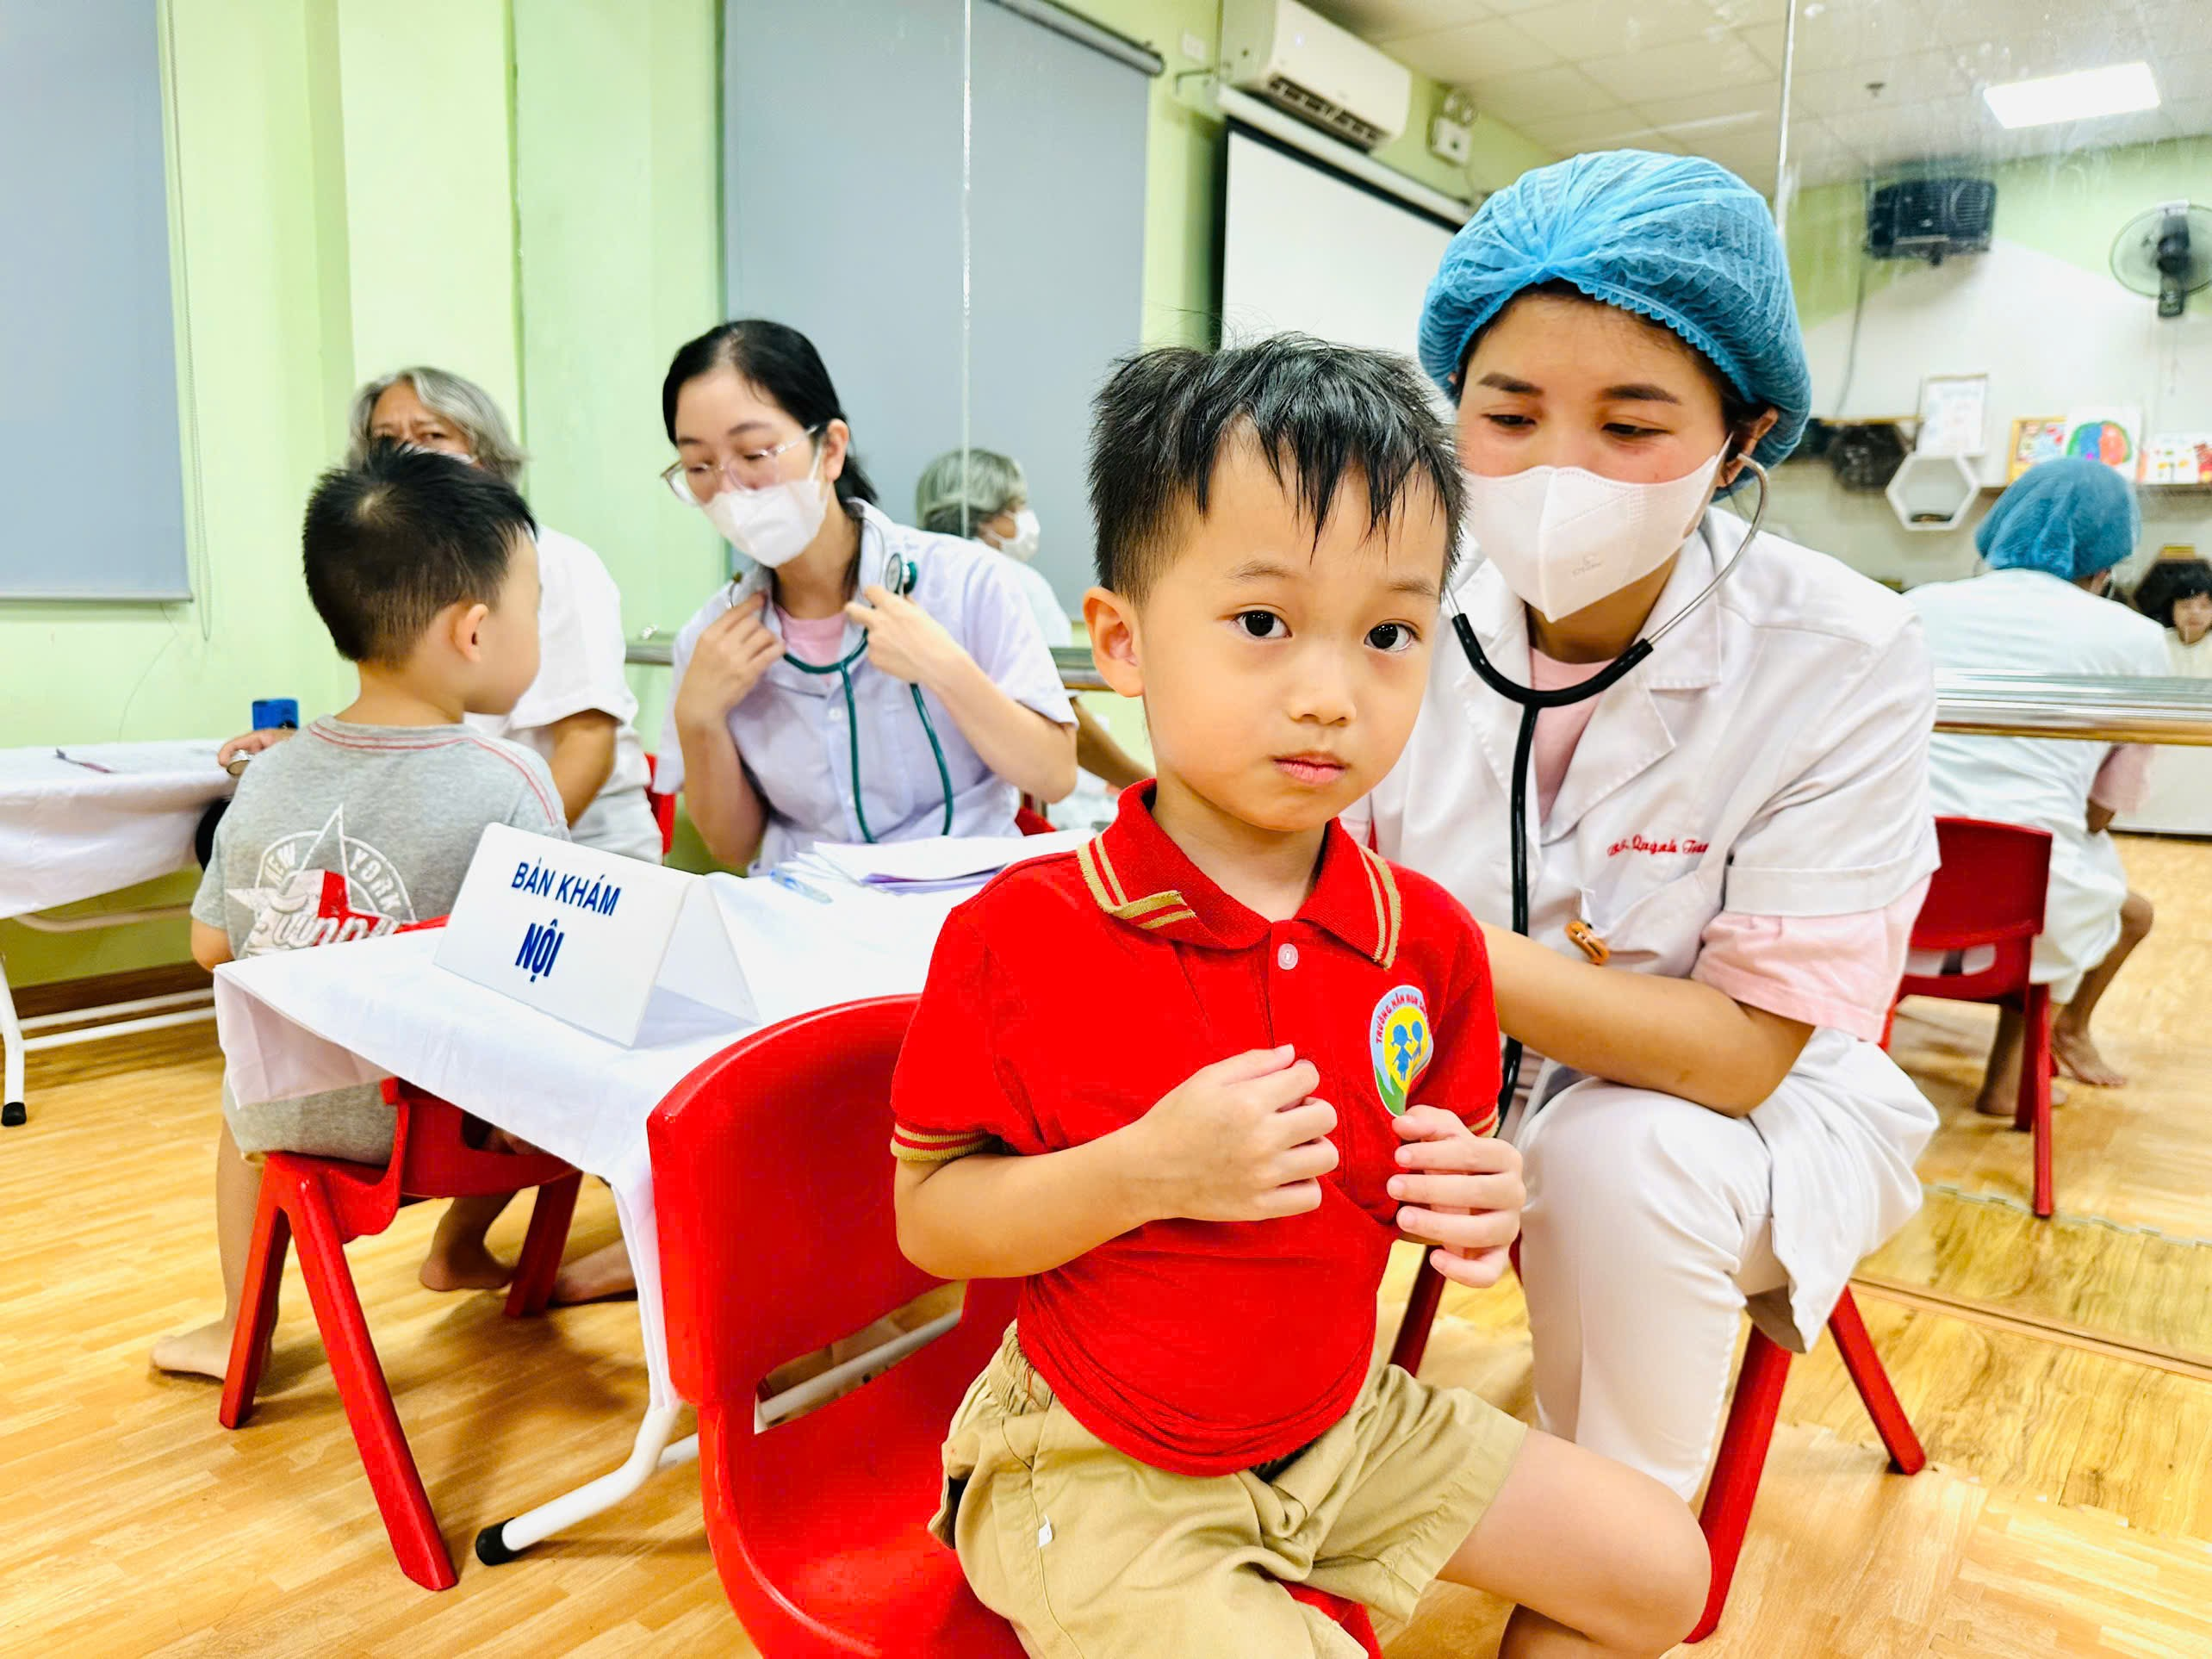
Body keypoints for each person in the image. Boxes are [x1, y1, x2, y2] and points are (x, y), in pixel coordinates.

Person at [891, 339, 1706, 1658]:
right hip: (1097, 1463)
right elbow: (931, 1218)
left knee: (1661, 1569)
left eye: (1388, 635)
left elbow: (1427, 1177)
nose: (1329, 696)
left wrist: (1483, 1196)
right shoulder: (1025, 934)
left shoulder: (1426, 942)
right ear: (1123, 641)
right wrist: (1148, 1170)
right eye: (1263, 623)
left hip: (1342, 1423)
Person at [1351, 151, 1942, 1502]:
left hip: (1735, 1120)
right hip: (1430, 1072)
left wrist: (1409, 931)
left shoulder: (1844, 652)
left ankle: (1611, 1562)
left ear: (1743, 439)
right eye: (1509, 414)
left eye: (1630, 426)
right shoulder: (1390, 597)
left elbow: (1735, 1054)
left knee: (1616, 1150)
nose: (1560, 469)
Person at [152, 444, 571, 1378]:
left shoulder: (269, 773)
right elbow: (544, 970)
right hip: (456, 1131)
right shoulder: (512, 780)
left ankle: (238, 1327)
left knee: (243, 1098)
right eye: (534, 606)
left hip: (295, 1116)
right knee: (544, 1068)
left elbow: (212, 946)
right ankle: (460, 1243)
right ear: (473, 632)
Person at [657, 321, 1076, 872]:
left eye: (754, 454)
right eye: (699, 466)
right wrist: (698, 718)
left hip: (965, 896)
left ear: (831, 449)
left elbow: (1054, 775)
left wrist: (945, 668)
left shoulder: (966, 581)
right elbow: (733, 848)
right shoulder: (709, 640)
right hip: (805, 903)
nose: (728, 488)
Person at [219, 367, 660, 863]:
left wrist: (498, 867)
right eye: (387, 441)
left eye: (431, 436)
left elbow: (588, 743)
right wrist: (320, 751)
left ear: (485, 457)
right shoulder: (389, 571)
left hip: (574, 850)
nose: (410, 454)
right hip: (454, 842)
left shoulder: (552, 562)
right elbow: (408, 723)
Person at [1911, 458, 2169, 1099]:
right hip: (2033, 911)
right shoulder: (2136, 638)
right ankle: (2017, 1072)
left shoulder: (1920, 606)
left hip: (1893, 881)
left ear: (1999, 526)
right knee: (2050, 875)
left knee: (2000, 871)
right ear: (2109, 558)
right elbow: (2101, 811)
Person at [913, 446, 1151, 809]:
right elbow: (1067, 720)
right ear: (986, 517)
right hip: (1002, 803)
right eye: (1017, 506)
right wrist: (1146, 786)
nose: (1026, 518)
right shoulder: (1015, 583)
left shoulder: (909, 579)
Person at [2134, 555, 2212, 676]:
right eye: (2186, 606)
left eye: (2204, 606)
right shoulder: (2156, 642)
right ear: (2171, 610)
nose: (2195, 612)